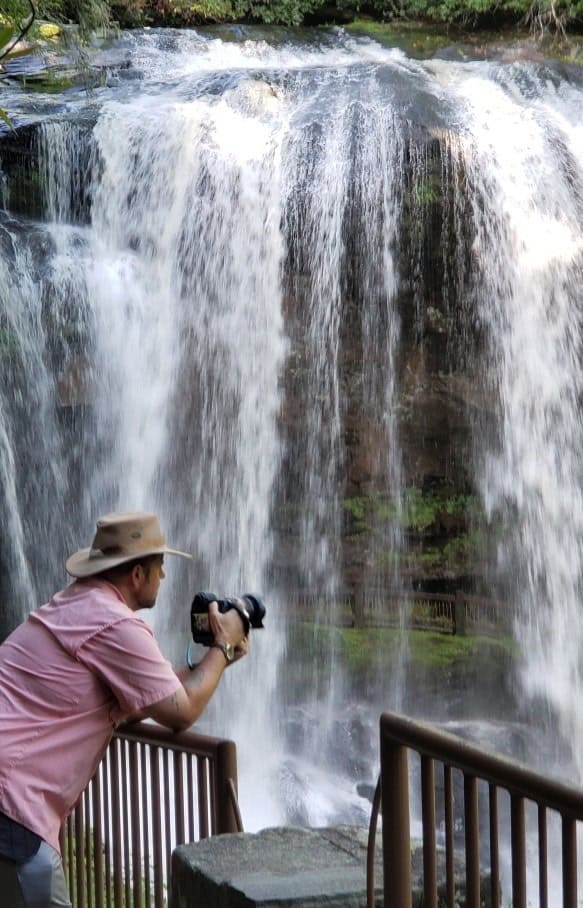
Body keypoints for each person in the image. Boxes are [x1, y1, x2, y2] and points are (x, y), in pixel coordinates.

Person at [0, 511, 248, 908]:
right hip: (12, 807)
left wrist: (212, 662)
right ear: (137, 575)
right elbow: (181, 712)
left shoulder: (73, 604)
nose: (163, 577)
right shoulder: (113, 623)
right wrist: (222, 646)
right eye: (159, 567)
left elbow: (150, 691)